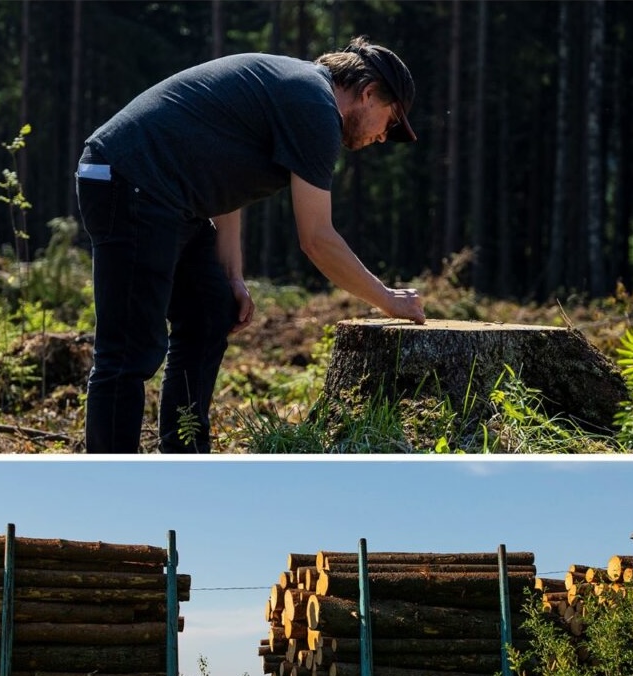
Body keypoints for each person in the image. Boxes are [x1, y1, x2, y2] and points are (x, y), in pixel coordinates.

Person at [75, 36, 425, 454]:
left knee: (211, 310)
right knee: (129, 353)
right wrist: (388, 300)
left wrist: (232, 274)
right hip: (127, 179)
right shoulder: (315, 106)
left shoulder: (298, 90)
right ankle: (115, 474)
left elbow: (226, 180)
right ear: (368, 94)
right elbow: (317, 239)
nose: (384, 137)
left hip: (165, 195)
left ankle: (184, 454)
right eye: (390, 122)